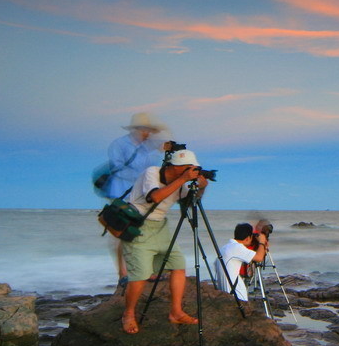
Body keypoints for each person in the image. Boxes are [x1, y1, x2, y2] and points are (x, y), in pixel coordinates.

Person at [120, 148, 207, 334]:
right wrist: (183, 180)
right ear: (176, 168)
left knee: (178, 265)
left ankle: (175, 312)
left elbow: (189, 202)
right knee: (140, 275)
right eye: (188, 168)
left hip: (160, 227)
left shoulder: (180, 183)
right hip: (138, 227)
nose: (192, 171)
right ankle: (128, 314)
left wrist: (202, 187)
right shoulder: (152, 172)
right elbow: (155, 197)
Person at [104, 112, 170, 289]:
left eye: (149, 130)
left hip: (141, 194)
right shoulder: (119, 145)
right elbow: (117, 169)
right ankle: (123, 274)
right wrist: (142, 177)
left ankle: (147, 271)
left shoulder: (146, 148)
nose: (147, 133)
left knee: (145, 231)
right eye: (144, 130)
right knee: (121, 234)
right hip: (121, 193)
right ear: (136, 129)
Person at [215, 223, 268, 302]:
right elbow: (259, 258)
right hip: (236, 295)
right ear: (247, 238)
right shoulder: (237, 247)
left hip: (226, 293)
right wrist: (262, 242)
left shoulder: (225, 247)